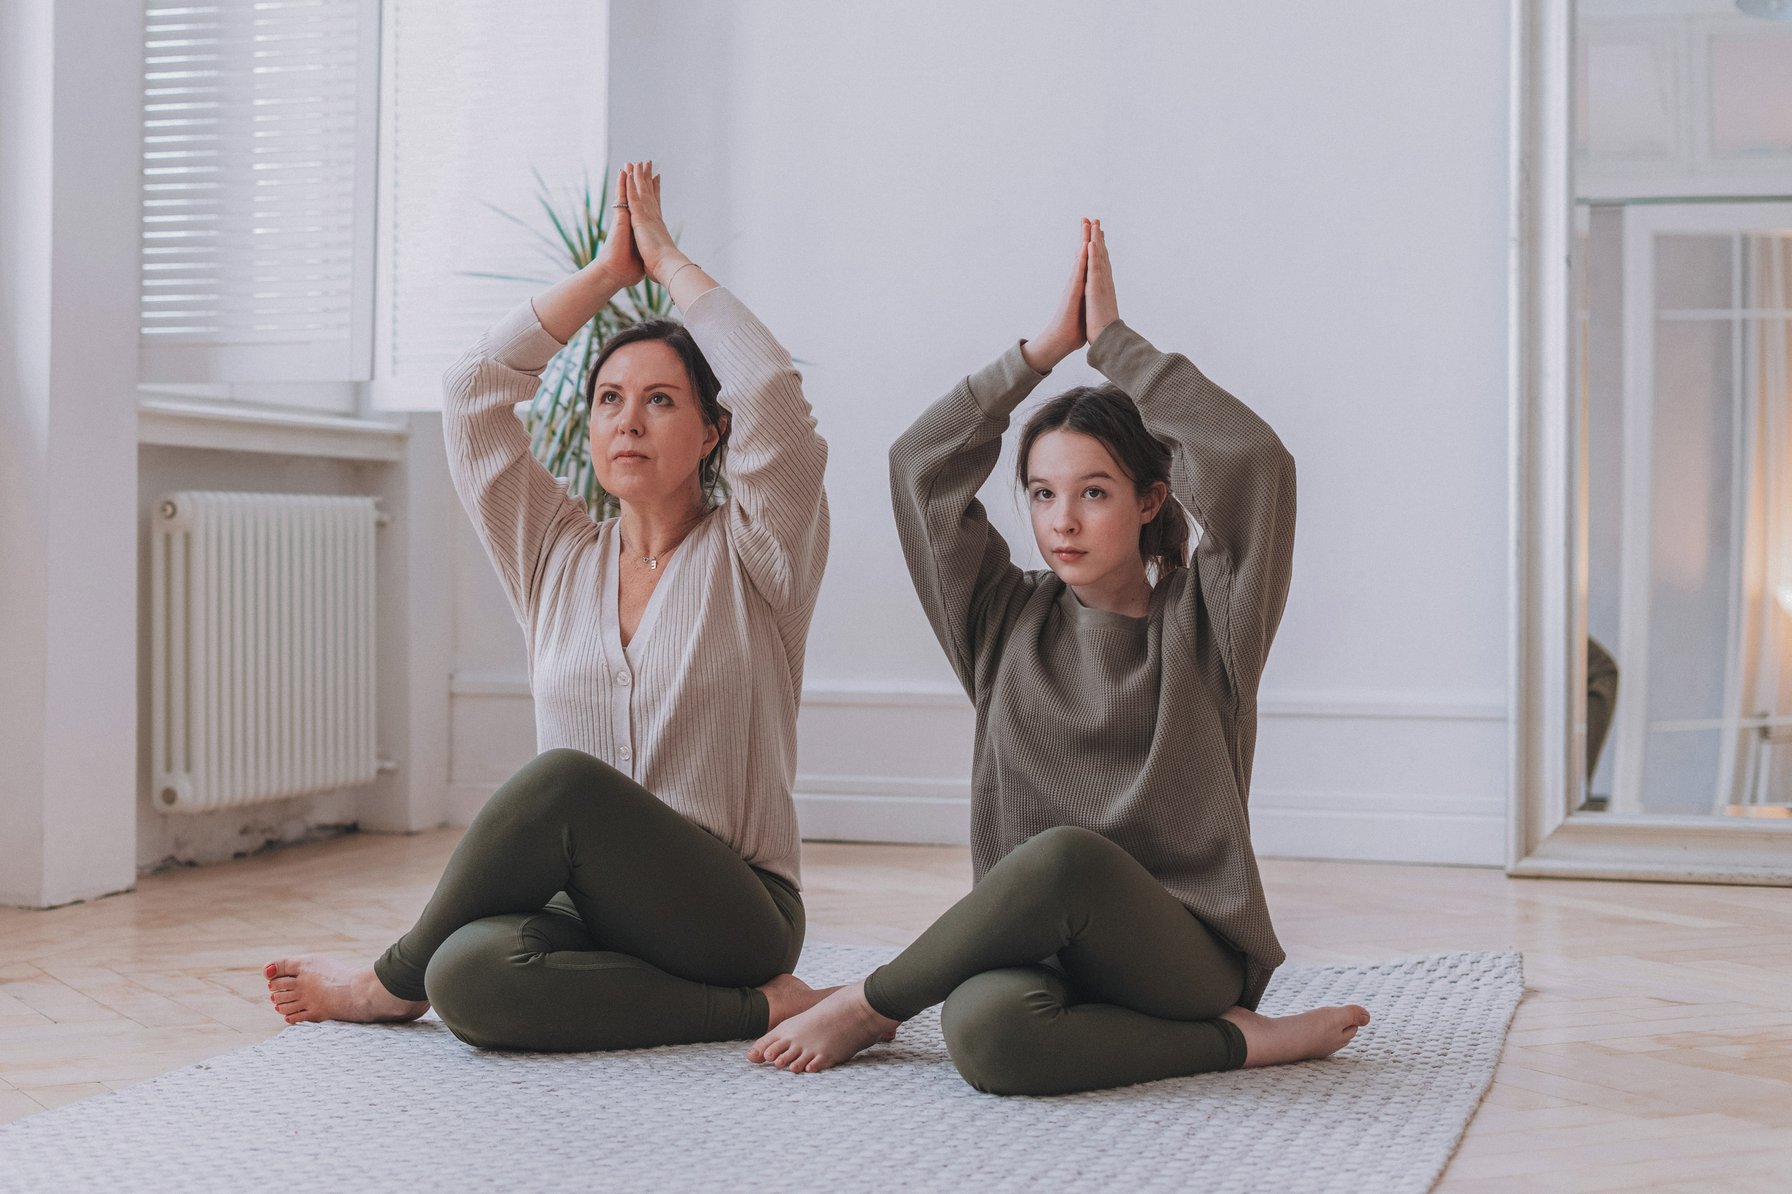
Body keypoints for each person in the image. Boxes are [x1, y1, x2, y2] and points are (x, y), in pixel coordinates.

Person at [748, 220, 1368, 1095]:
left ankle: (870, 1003)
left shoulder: (1212, 624)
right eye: (1042, 494)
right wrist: (1039, 354)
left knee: (1067, 856)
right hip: (1038, 938)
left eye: (1094, 492)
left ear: (1153, 499)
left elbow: (1257, 465)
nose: (1062, 521)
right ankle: (1243, 1046)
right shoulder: (1001, 620)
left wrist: (1114, 348)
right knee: (986, 1034)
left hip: (1182, 953)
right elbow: (918, 467)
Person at [264, 162, 833, 1052]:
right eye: (609, 400)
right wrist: (607, 274)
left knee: (562, 782)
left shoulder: (761, 551)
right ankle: (761, 1009)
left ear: (713, 431)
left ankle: (385, 984)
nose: (625, 423)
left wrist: (667, 261)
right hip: (586, 909)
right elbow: (474, 394)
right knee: (471, 978)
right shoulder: (555, 555)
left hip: (733, 909)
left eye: (659, 401)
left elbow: (771, 393)